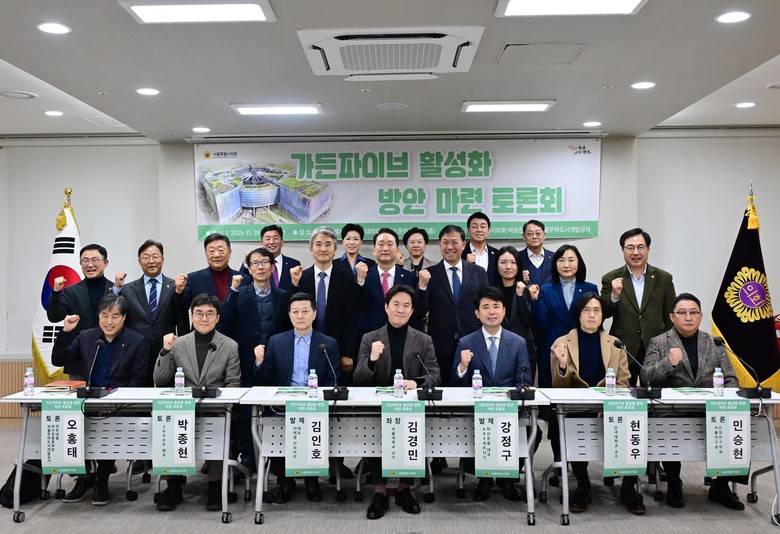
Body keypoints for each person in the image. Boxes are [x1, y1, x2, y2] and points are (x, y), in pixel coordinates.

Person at [642, 293, 743, 510]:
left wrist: (727, 398)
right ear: (672, 317)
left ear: (701, 316)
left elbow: (731, 378)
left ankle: (721, 486)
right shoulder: (659, 342)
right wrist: (668, 363)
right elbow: (646, 378)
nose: (688, 317)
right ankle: (674, 483)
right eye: (682, 313)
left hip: (710, 408)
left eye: (693, 312)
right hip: (672, 410)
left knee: (736, 422)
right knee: (666, 426)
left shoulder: (715, 343)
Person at [51, 294, 148, 506]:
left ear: (124, 317)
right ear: (99, 316)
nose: (109, 322)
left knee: (108, 424)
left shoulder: (137, 341)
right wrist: (66, 332)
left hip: (121, 405)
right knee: (69, 420)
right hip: (90, 402)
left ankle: (102, 478)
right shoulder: (87, 337)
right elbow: (58, 359)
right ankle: (85, 477)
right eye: (105, 316)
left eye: (115, 316)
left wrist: (115, 403)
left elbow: (138, 380)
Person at [353, 284, 440, 519]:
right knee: (376, 431)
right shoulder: (370, 338)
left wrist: (417, 382)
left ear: (412, 311)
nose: (400, 310)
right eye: (396, 304)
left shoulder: (424, 340)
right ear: (386, 307)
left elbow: (435, 375)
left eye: (406, 306)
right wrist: (371, 360)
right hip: (378, 408)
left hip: (410, 408)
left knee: (412, 429)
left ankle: (404, 489)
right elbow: (358, 378)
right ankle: (379, 491)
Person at [153, 293, 241, 512]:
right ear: (191, 316)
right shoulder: (178, 344)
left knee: (219, 424)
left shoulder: (229, 346)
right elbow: (160, 380)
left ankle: (215, 485)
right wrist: (165, 350)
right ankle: (173, 486)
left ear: (217, 317)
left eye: (210, 314)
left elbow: (233, 383)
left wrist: (220, 402)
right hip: (183, 409)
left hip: (216, 409)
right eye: (199, 313)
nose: (204, 318)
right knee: (168, 422)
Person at [254, 292, 341, 503]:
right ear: (289, 315)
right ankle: (285, 481)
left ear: (314, 314)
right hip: (283, 405)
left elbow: (334, 378)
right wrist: (259, 362)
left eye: (305, 311)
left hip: (315, 404)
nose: (300, 316)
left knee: (313, 424)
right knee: (278, 428)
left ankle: (312, 480)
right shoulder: (277, 341)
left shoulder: (328, 344)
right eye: (295, 312)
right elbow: (266, 378)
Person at [550, 292, 632, 513]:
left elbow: (623, 382)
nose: (592, 315)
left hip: (609, 405)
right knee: (575, 423)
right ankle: (582, 483)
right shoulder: (561, 343)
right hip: (576, 407)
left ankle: (629, 486)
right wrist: (563, 365)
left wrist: (610, 406)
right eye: (586, 310)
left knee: (633, 421)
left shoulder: (615, 344)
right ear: (578, 314)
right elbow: (558, 387)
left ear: (603, 315)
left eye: (596, 310)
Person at [451, 287, 532, 501]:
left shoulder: (518, 342)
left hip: (510, 412)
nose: (491, 312)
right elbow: (455, 385)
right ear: (477, 313)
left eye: (496, 307)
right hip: (478, 412)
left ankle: (507, 478)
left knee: (530, 430)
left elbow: (524, 383)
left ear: (504, 311)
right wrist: (462, 366)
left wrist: (513, 405)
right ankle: (484, 478)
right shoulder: (466, 342)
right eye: (485, 307)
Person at [218, 246, 288, 473]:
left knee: (275, 412)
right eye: (255, 263)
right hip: (245, 361)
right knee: (246, 412)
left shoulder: (282, 296)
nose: (260, 267)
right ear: (248, 268)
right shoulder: (240, 293)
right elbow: (224, 323)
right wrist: (232, 291)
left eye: (264, 262)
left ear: (272, 266)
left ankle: (277, 459)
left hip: (275, 362)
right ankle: (248, 455)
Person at [601, 228, 676, 383]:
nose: (636, 252)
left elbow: (670, 315)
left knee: (654, 391)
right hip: (624, 346)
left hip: (655, 344)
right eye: (630, 248)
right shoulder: (611, 278)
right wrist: (614, 296)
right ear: (623, 250)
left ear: (648, 249)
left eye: (640, 247)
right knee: (622, 390)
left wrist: (670, 344)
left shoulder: (664, 278)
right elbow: (604, 313)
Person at [418, 224, 489, 387]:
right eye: (445, 242)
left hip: (472, 341)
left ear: (463, 245)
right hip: (440, 345)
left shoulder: (478, 272)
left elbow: (486, 306)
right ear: (439, 245)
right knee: (441, 389)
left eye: (454, 242)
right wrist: (421, 286)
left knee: (472, 388)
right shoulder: (430, 274)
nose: (450, 247)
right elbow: (420, 311)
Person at [115, 239, 184, 385]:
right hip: (137, 351)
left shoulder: (175, 287)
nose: (151, 261)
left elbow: (182, 317)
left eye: (155, 256)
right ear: (139, 261)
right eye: (146, 257)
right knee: (139, 394)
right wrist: (116, 289)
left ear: (162, 259)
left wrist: (183, 347)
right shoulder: (128, 289)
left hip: (168, 350)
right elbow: (114, 312)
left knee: (168, 392)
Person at [530, 245, 598, 389]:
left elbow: (595, 321)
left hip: (582, 346)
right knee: (550, 388)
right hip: (552, 347)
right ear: (555, 264)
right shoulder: (546, 289)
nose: (566, 265)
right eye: (561, 260)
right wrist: (535, 300)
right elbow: (540, 323)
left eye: (571, 260)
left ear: (579, 262)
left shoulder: (590, 288)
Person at [46, 243, 115, 378]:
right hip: (78, 361)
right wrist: (56, 292)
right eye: (85, 260)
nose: (90, 265)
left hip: (110, 359)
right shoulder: (71, 291)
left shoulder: (116, 290)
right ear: (80, 263)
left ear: (105, 263)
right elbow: (54, 316)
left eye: (95, 260)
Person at [358, 228, 427, 338]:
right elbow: (357, 307)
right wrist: (360, 281)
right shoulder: (363, 276)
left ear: (397, 250)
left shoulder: (411, 278)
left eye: (390, 244)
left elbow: (419, 310)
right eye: (381, 244)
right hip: (370, 337)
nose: (385, 248)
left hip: (404, 337)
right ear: (374, 250)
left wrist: (422, 287)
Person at [492, 246, 538, 381]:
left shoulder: (527, 291)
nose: (508, 267)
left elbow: (529, 322)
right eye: (503, 262)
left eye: (513, 262)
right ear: (497, 265)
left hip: (525, 350)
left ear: (518, 266)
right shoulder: (491, 292)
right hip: (498, 350)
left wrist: (520, 296)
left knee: (524, 389)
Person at [180, 233, 251, 320]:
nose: (216, 255)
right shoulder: (192, 279)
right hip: (204, 328)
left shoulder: (245, 279)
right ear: (206, 254)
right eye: (211, 251)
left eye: (221, 250)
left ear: (230, 253)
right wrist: (178, 292)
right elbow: (181, 309)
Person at [239, 225, 300, 291]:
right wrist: (246, 262)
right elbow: (242, 284)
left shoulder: (294, 264)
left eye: (275, 238)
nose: (272, 242)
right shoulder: (255, 265)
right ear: (262, 243)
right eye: (268, 239)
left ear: (282, 242)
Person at [461, 212, 498, 281]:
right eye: (474, 227)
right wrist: (465, 264)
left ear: (488, 231)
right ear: (468, 230)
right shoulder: (460, 253)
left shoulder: (497, 254)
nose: (479, 230)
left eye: (483, 227)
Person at [518, 220, 555, 287]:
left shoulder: (554, 258)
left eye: (538, 233)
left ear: (544, 235)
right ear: (523, 237)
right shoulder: (516, 258)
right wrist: (518, 278)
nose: (534, 237)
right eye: (530, 234)